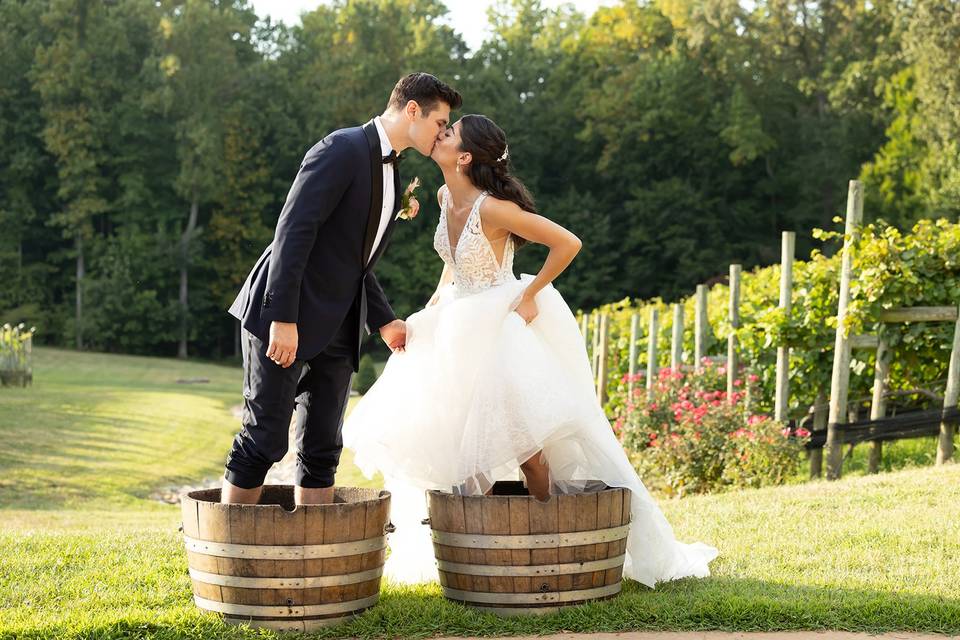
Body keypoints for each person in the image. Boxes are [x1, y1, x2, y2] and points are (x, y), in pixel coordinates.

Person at [343, 114, 719, 587]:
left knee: (526, 447)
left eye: (450, 132)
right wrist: (435, 304)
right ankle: (476, 557)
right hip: (457, 322)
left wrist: (529, 293)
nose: (440, 133)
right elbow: (453, 264)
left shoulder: (493, 209)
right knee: (460, 440)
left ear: (463, 158)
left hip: (497, 326)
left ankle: (544, 540)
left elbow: (567, 243)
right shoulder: (442, 196)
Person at [221, 73, 462, 506]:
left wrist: (385, 320)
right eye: (439, 122)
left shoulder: (394, 173)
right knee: (264, 439)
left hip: (341, 323)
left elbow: (354, 260)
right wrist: (283, 317)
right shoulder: (342, 148)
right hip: (286, 314)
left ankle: (314, 561)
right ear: (412, 110)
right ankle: (226, 558)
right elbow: (293, 232)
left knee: (322, 450)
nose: (442, 133)